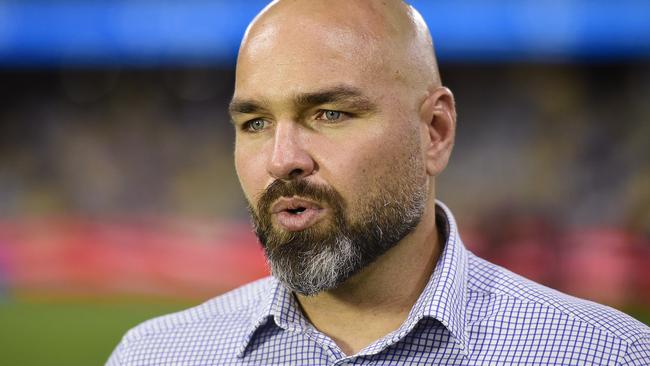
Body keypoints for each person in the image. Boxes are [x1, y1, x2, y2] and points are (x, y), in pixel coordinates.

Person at [107, 1, 649, 364]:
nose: (282, 160)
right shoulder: (155, 354)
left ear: (434, 131)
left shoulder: (604, 353)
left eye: (330, 114)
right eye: (255, 123)